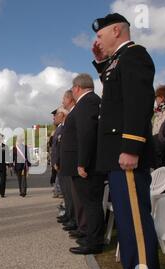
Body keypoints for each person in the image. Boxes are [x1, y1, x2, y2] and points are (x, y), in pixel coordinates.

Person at [92, 13, 160, 269]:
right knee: (128, 228)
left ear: (116, 30)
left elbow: (137, 102)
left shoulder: (134, 55)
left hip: (126, 156)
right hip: (116, 158)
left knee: (136, 230)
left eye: (100, 36)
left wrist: (131, 147)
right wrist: (100, 63)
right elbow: (115, 92)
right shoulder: (119, 60)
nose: (97, 41)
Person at [64, 74, 106, 255]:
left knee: (91, 203)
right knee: (90, 203)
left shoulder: (86, 102)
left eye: (72, 88)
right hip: (88, 162)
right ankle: (91, 235)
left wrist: (82, 163)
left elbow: (86, 134)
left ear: (77, 88)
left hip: (87, 164)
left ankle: (94, 242)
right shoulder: (91, 101)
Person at [59, 90, 79, 232]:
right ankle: (72, 217)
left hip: (74, 162)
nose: (62, 102)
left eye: (63, 99)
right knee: (69, 194)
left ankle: (76, 221)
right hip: (67, 163)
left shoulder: (74, 115)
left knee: (75, 196)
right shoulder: (68, 119)